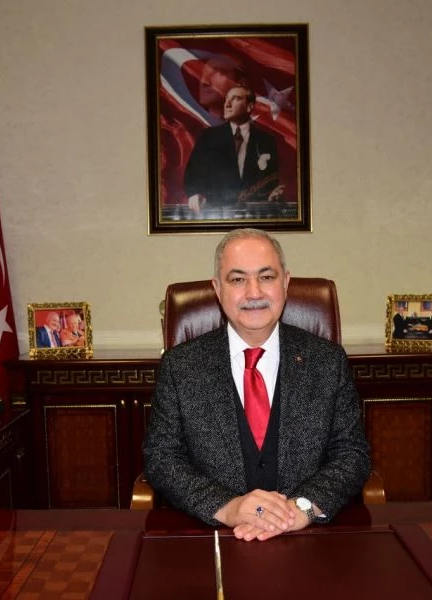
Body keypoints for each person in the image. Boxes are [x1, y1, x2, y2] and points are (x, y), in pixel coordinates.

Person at [143, 228, 372, 542]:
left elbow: (352, 455)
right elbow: (161, 458)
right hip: (213, 539)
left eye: (266, 277)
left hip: (307, 538)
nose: (254, 293)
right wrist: (227, 507)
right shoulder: (180, 366)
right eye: (237, 279)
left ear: (285, 283)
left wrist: (301, 509)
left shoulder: (327, 361)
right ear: (217, 288)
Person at [184, 86, 284, 213]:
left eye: (235, 99)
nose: (227, 104)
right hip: (217, 213)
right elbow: (193, 172)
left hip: (254, 214)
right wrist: (194, 193)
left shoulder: (266, 140)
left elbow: (270, 181)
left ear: (249, 107)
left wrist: (273, 194)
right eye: (226, 99)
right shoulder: (208, 137)